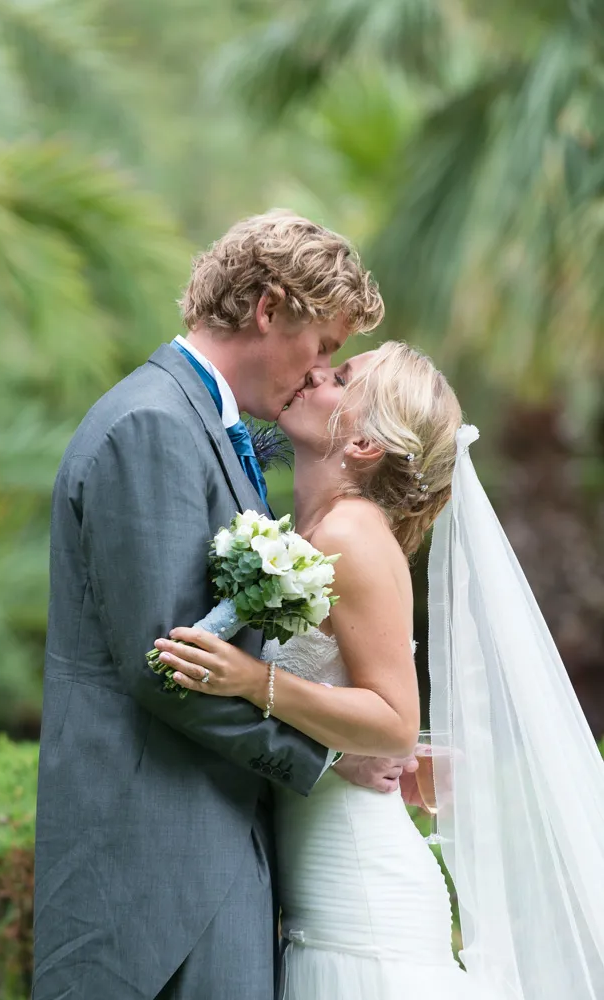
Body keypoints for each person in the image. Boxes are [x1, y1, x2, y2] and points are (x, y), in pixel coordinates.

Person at [31, 211, 415, 1000]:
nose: (319, 373)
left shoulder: (207, 427)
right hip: (153, 884)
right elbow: (169, 666)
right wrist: (332, 756)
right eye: (325, 347)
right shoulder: (153, 425)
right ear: (270, 309)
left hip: (209, 864)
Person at [156, 340, 604, 998]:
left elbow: (394, 724)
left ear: (364, 444)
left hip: (360, 908)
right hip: (328, 900)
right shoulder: (319, 533)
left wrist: (252, 682)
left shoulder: (351, 535)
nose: (311, 371)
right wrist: (337, 749)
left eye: (338, 377)